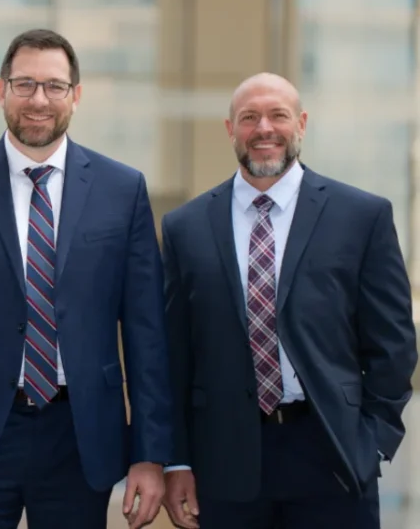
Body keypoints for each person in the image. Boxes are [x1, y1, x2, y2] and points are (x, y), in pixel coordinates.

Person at [0, 28, 173, 529]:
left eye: (54, 86)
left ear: (76, 96)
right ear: (1, 91)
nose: (38, 99)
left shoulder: (122, 189)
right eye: (24, 84)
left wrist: (150, 453)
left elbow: (147, 333)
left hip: (81, 437)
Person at [160, 72, 417, 529]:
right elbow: (174, 357)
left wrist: (371, 440)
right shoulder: (186, 227)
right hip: (223, 461)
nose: (264, 129)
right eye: (249, 117)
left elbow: (393, 343)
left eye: (278, 115)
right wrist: (176, 461)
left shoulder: (361, 216)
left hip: (331, 454)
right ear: (229, 129)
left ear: (300, 123)